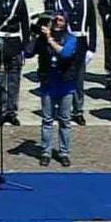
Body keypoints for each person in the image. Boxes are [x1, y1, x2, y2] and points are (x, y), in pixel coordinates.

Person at [25, 10, 77, 167]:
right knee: (47, 120)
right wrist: (36, 35)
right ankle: (46, 152)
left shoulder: (71, 39)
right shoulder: (42, 39)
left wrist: (49, 39)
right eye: (55, 20)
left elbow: (65, 54)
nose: (57, 23)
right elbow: (27, 53)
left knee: (65, 120)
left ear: (65, 23)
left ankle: (64, 152)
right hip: (48, 83)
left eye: (61, 20)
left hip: (65, 84)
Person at [57, 0, 96, 126]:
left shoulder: (87, 1)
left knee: (79, 79)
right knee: (64, 76)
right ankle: (62, 108)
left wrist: (91, 48)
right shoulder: (61, 1)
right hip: (66, 41)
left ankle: (78, 110)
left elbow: (92, 26)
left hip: (80, 43)